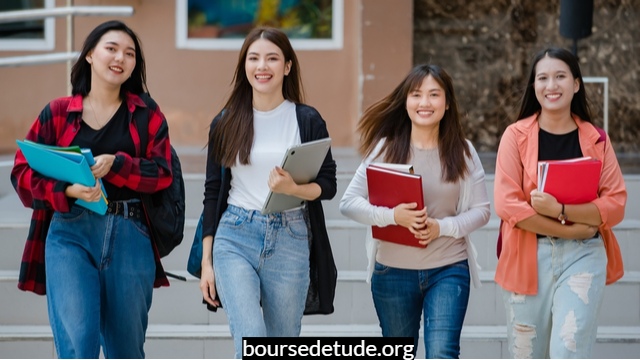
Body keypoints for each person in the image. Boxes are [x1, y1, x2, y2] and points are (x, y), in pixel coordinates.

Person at [11, 20, 172, 358]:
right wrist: (68, 190)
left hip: (131, 233)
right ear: (89, 55)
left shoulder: (147, 114)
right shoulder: (57, 113)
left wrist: (119, 164)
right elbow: (22, 173)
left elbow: (162, 173)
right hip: (69, 233)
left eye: (129, 54)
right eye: (111, 49)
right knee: (78, 346)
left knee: (126, 350)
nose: (120, 58)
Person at [199, 27, 337, 358]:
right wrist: (207, 262)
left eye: (272, 58)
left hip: (290, 236)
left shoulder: (306, 119)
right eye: (254, 58)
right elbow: (212, 191)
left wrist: (294, 188)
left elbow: (329, 182)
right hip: (235, 235)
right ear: (244, 65)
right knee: (251, 341)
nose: (263, 66)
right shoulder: (226, 122)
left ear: (287, 66)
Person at [340, 64, 491, 358]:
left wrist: (441, 227)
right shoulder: (384, 149)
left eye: (434, 95)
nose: (425, 103)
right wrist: (393, 216)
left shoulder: (464, 151)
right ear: (406, 102)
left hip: (448, 268)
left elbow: (482, 210)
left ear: (447, 104)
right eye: (416, 94)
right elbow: (349, 203)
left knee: (442, 353)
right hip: (392, 272)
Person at [494, 47, 627, 358]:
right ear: (534, 86)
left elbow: (616, 202)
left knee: (569, 350)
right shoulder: (514, 137)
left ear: (576, 84)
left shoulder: (597, 139)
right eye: (543, 78)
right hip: (527, 255)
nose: (551, 85)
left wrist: (560, 211)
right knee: (528, 353)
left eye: (560, 77)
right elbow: (507, 204)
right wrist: (573, 228)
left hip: (584, 257)